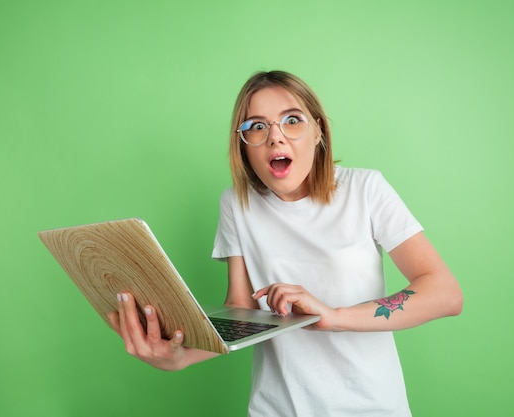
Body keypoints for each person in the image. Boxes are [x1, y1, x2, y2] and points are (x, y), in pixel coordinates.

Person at [108, 70, 463, 416]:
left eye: (292, 120)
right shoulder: (237, 202)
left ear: (318, 130)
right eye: (257, 127)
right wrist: (180, 356)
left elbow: (445, 293)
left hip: (370, 407)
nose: (275, 137)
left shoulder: (366, 189)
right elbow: (242, 309)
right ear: (243, 145)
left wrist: (335, 317)